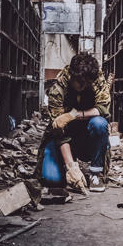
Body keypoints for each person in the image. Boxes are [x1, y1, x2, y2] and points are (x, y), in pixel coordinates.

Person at [40, 52, 111, 194]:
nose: (84, 87)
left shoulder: (96, 78)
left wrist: (74, 115)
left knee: (100, 123)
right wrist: (70, 166)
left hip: (88, 137)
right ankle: (70, 168)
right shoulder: (58, 89)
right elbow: (60, 132)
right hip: (67, 139)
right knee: (52, 179)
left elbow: (103, 108)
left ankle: (96, 174)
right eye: (80, 83)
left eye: (87, 84)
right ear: (72, 75)